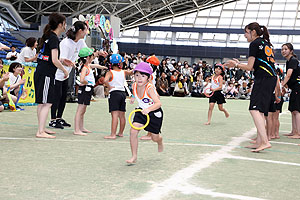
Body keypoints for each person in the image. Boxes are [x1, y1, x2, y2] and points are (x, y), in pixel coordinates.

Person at [225, 22, 276, 152]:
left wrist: (235, 65)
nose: (245, 36)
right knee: (260, 111)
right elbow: (253, 66)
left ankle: (264, 141)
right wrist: (239, 63)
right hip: (270, 78)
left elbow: (248, 67)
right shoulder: (266, 43)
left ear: (253, 32)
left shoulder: (254, 44)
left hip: (263, 78)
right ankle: (260, 141)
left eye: (246, 33)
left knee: (254, 109)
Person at [34, 13, 69, 139]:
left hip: (41, 71)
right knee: (47, 103)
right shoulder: (53, 38)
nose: (65, 26)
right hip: (46, 74)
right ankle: (40, 131)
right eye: (64, 23)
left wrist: (63, 61)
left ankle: (42, 128)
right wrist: (65, 70)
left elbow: (50, 57)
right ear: (60, 24)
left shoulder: (47, 36)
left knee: (42, 103)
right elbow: (54, 60)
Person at [49, 21, 88, 129]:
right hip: (58, 73)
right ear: (80, 31)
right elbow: (59, 59)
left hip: (67, 73)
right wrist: (65, 63)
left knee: (63, 96)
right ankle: (53, 120)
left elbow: (86, 52)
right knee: (56, 97)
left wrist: (98, 53)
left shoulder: (80, 41)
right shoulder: (66, 43)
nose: (86, 33)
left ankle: (59, 118)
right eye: (85, 30)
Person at [126, 62, 163, 164]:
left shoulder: (150, 88)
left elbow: (158, 103)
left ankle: (160, 141)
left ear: (148, 78)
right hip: (141, 111)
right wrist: (133, 97)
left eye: (143, 76)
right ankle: (134, 156)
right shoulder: (134, 85)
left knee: (155, 137)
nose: (139, 78)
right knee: (133, 131)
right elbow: (134, 93)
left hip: (154, 112)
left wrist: (149, 109)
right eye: (137, 75)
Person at [103, 54, 132, 139]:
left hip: (114, 93)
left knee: (114, 115)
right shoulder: (123, 72)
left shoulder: (110, 72)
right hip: (123, 93)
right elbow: (131, 72)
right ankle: (120, 133)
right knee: (122, 115)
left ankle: (112, 134)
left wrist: (109, 86)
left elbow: (105, 80)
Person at [73, 47, 96, 136]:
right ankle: (76, 129)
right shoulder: (84, 68)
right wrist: (87, 83)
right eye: (91, 56)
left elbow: (94, 66)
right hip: (85, 89)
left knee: (83, 110)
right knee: (80, 110)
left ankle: (81, 127)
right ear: (87, 57)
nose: (92, 58)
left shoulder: (87, 66)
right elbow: (82, 79)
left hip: (88, 89)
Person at [281, 43, 300, 139]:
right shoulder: (289, 61)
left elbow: (288, 75)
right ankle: (294, 131)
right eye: (282, 49)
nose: (283, 51)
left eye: (286, 49)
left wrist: (281, 86)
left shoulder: (293, 60)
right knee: (293, 110)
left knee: (296, 110)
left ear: (291, 51)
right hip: (294, 88)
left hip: (298, 87)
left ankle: (298, 133)